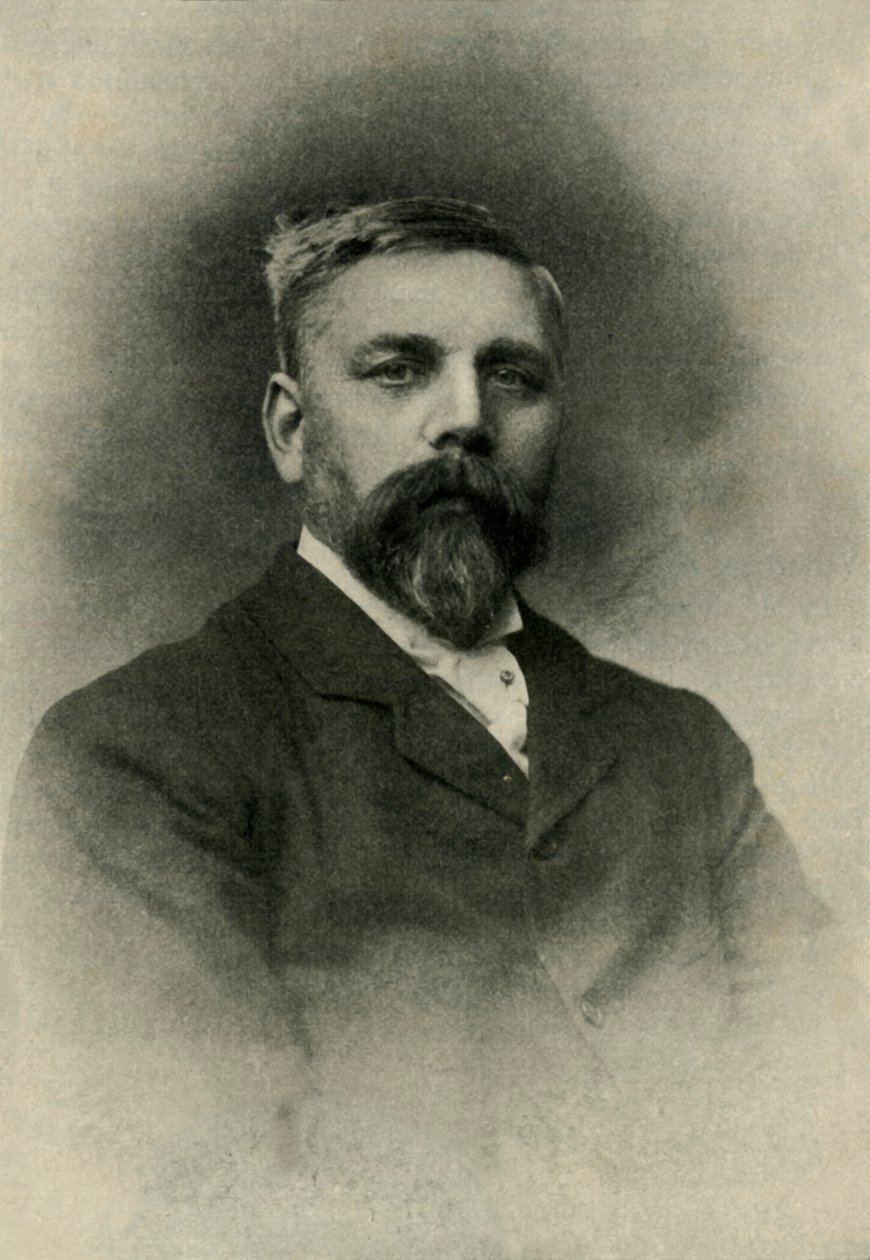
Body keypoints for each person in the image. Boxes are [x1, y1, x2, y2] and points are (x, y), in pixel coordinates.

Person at [2, 199, 866, 1259]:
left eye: (514, 376)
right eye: (399, 370)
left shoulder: (685, 747)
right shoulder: (133, 750)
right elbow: (216, 1191)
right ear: (291, 430)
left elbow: (832, 1115)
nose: (466, 418)